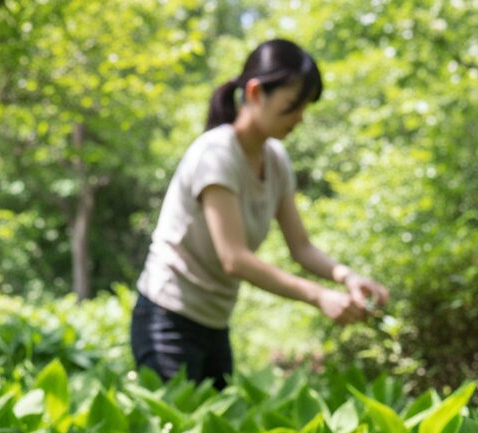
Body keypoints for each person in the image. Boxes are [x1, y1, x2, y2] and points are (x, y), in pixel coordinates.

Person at [131, 39, 389, 390]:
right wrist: (318, 296)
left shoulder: (276, 160)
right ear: (255, 92)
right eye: (292, 105)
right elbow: (234, 259)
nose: (300, 117)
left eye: (305, 107)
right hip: (167, 319)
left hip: (214, 323)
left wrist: (346, 277)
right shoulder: (216, 155)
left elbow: (301, 247)